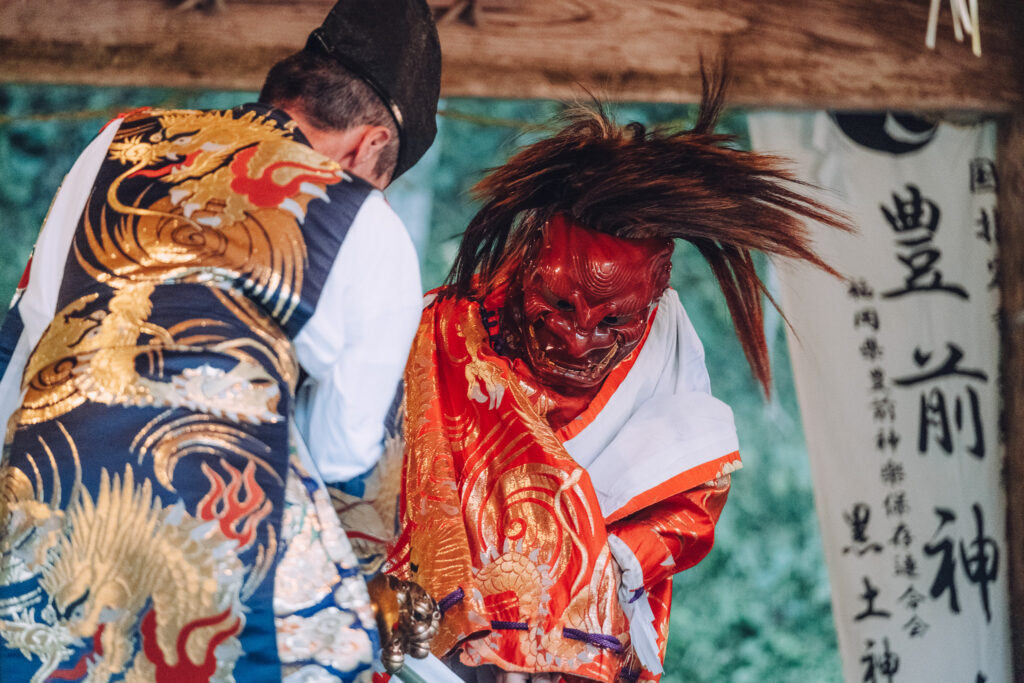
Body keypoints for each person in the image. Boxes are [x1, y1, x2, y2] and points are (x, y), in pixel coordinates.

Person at [0, 1, 441, 680]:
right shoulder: (365, 220)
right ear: (371, 146)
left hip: (36, 529)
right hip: (212, 561)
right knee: (348, 649)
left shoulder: (120, 140)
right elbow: (340, 452)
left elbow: (28, 336)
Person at [380, 80, 848, 682]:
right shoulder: (444, 331)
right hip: (441, 645)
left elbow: (691, 499)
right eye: (558, 302)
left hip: (586, 644)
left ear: (657, 290)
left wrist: (611, 566)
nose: (578, 339)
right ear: (527, 254)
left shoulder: (666, 349)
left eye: (613, 320)